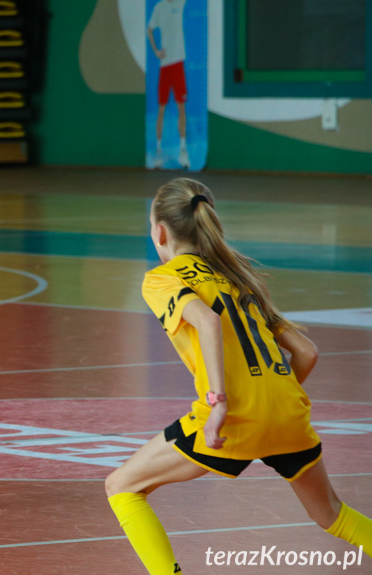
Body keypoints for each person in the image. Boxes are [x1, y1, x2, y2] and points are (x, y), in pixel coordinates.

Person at [105, 178, 372, 574]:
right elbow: (306, 352)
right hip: (288, 411)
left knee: (122, 487)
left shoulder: (163, 279)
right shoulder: (237, 278)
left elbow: (208, 322)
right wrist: (269, 399)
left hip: (231, 420)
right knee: (332, 514)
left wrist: (221, 403)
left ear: (159, 232)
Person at [147, 0, 189, 169]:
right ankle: (158, 152)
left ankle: (183, 151)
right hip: (165, 66)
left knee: (181, 109)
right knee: (161, 110)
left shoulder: (180, 3)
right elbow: (149, 29)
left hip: (178, 64)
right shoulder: (159, 8)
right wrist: (156, 51)